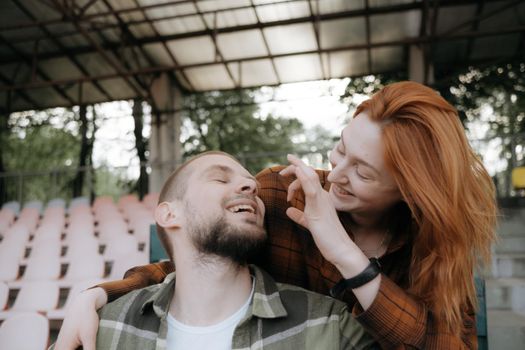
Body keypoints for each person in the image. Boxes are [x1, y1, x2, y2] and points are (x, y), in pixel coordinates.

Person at [54, 81, 497, 349]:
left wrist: (345, 255)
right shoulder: (280, 194)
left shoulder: (435, 248)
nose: (335, 175)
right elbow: (198, 262)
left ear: (408, 192)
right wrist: (99, 294)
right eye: (341, 149)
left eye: (361, 172)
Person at [53, 151, 375, 350]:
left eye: (253, 185)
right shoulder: (103, 330)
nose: (251, 186)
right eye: (220, 178)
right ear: (169, 215)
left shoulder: (330, 328)